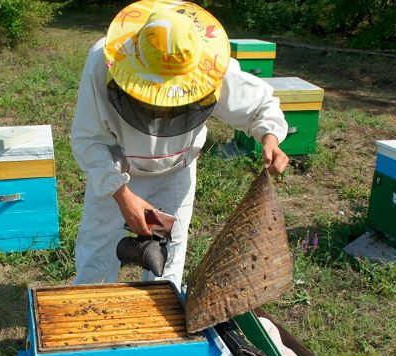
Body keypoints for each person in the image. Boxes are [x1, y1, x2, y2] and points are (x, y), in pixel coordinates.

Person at [71, 0, 289, 289]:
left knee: (167, 265)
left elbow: (259, 104)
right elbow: (89, 139)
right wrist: (121, 193)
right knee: (95, 264)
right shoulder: (104, 59)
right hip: (117, 171)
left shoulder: (210, 65)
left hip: (176, 173)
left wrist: (269, 137)